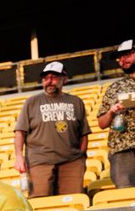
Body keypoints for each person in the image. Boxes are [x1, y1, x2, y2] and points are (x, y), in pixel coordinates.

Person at [14, 61, 91, 197]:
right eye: (46, 78)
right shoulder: (31, 102)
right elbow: (20, 132)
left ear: (64, 79)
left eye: (54, 77)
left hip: (71, 162)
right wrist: (19, 157)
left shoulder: (76, 102)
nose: (49, 81)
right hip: (40, 162)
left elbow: (83, 133)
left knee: (72, 203)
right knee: (41, 203)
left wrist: (81, 156)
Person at [97, 38, 135, 189]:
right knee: (126, 196)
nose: (122, 60)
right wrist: (112, 111)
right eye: (120, 58)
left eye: (126, 55)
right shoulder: (114, 88)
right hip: (122, 150)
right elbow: (101, 123)